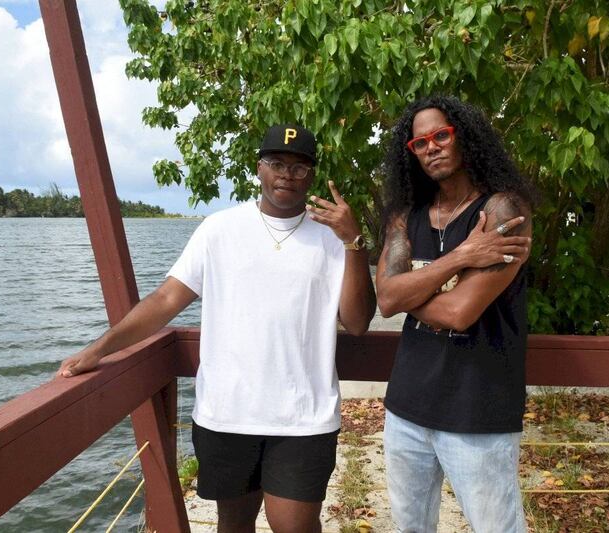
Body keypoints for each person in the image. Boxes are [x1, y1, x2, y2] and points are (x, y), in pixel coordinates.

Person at [56, 124, 376, 533]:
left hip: (304, 418)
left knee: (294, 526)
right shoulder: (218, 229)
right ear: (258, 168)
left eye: (299, 167)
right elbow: (166, 300)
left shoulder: (332, 239)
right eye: (276, 163)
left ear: (312, 176)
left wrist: (354, 241)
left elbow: (358, 322)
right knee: (233, 523)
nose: (286, 175)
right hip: (226, 414)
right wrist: (100, 348)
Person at [376, 95, 537, 532]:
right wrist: (463, 256)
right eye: (419, 143)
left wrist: (408, 290)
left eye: (441, 136)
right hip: (406, 408)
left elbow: (459, 312)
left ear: (463, 136)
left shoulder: (503, 211)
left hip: (477, 410)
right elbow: (386, 300)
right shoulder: (405, 217)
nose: (431, 148)